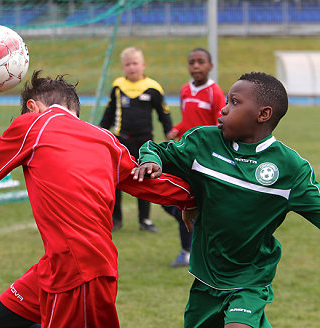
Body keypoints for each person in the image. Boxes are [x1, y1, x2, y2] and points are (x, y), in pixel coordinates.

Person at [0, 71, 196, 328]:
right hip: (59, 264)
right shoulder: (107, 140)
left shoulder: (33, 124)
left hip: (80, 268)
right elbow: (148, 182)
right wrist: (189, 198)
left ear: (32, 108)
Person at [132, 72, 320, 328]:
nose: (223, 108)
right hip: (205, 279)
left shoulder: (290, 168)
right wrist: (151, 160)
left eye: (235, 102)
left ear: (263, 114)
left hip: (250, 280)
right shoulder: (203, 142)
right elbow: (158, 149)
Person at [99, 46, 173, 233]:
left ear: (142, 65)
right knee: (116, 180)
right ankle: (115, 219)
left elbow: (163, 113)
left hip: (144, 142)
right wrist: (99, 133)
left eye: (135, 63)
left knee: (144, 179)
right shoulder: (118, 86)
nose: (132, 67)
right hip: (120, 140)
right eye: (127, 64)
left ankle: (145, 220)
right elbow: (109, 112)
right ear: (123, 67)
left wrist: (169, 132)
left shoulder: (153, 87)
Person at [164, 48, 225, 267]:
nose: (196, 66)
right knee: (169, 200)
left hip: (205, 157)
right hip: (185, 153)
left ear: (210, 66)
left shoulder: (214, 92)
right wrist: (176, 130)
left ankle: (187, 253)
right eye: (192, 62)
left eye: (201, 62)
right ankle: (198, 231)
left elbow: (221, 124)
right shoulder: (184, 90)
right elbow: (187, 120)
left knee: (185, 201)